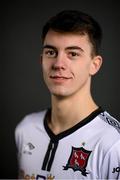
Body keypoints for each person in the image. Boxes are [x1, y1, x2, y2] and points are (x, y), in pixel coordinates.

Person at [15, 10, 120, 179]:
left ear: (95, 65)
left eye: (73, 54)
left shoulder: (114, 144)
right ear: (41, 59)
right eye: (51, 52)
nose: (58, 64)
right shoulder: (25, 129)